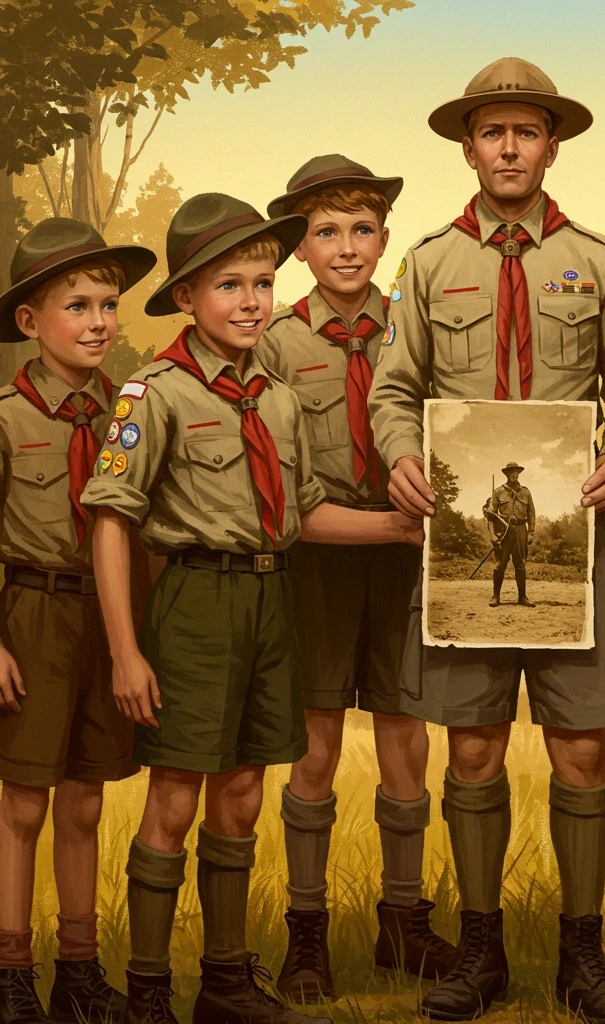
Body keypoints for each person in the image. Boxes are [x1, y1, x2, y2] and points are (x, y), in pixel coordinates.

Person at [80, 193, 422, 1024]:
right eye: (229, 286)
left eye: (263, 284)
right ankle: (151, 991)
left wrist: (404, 527)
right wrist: (127, 652)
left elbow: (302, 509)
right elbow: (111, 520)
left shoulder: (275, 394)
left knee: (241, 795)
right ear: (189, 298)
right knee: (175, 798)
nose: (251, 302)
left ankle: (226, 980)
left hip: (273, 598)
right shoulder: (151, 393)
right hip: (196, 601)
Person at [369, 56, 605, 1024]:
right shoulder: (427, 265)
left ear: (551, 144)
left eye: (524, 131)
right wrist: (402, 458)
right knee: (475, 750)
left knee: (581, 751)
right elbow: (393, 391)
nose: (507, 147)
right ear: (467, 145)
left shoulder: (595, 257)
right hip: (460, 542)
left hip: (573, 543)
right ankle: (481, 952)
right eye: (491, 131)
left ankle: (582, 959)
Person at [257, 155, 454, 998]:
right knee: (317, 743)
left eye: (363, 230)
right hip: (323, 562)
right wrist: (387, 526)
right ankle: (308, 933)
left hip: (412, 566)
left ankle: (402, 924)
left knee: (407, 737)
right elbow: (279, 489)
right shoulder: (273, 340)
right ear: (300, 247)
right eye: (326, 232)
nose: (346, 247)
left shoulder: (420, 326)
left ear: (385, 239)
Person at [0, 218, 155, 1024]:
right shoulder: (5, 416)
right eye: (77, 306)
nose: (98, 322)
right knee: (23, 803)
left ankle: (79, 970)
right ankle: (11, 970)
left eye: (109, 304)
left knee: (86, 802)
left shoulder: (130, 415)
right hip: (32, 614)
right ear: (30, 322)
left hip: (107, 617)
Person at [483, 461, 536, 607]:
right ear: (506, 474)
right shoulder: (499, 492)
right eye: (510, 472)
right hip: (504, 531)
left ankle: (522, 597)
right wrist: (493, 535)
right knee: (500, 565)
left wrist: (531, 532)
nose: (513, 474)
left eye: (516, 472)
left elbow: (531, 514)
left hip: (521, 530)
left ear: (519, 474)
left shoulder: (525, 492)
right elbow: (491, 516)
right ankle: (495, 597)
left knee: (521, 565)